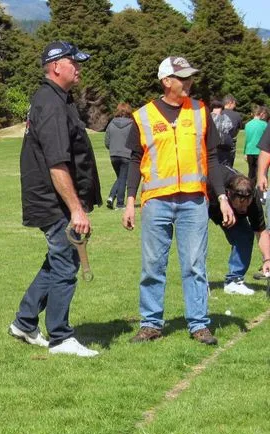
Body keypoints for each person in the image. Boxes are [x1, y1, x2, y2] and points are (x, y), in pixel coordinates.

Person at [123, 56, 234, 345]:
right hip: (156, 202)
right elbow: (135, 160)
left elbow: (212, 157)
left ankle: (199, 324)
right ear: (166, 81)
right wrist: (130, 200)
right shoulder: (143, 116)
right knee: (152, 266)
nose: (189, 82)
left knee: (195, 265)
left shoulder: (200, 110)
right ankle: (150, 324)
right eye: (182, 77)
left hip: (194, 202)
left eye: (190, 77)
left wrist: (221, 196)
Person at [9, 41, 100, 358]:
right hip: (53, 201)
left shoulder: (58, 100)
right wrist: (76, 209)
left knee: (58, 259)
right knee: (65, 263)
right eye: (74, 62)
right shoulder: (50, 103)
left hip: (52, 199)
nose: (79, 68)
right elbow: (56, 162)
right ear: (56, 66)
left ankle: (24, 321)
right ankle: (61, 337)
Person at [210, 169, 270, 295]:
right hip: (206, 202)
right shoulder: (214, 186)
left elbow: (261, 232)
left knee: (245, 235)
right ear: (229, 195)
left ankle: (234, 281)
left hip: (227, 211)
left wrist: (267, 259)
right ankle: (197, 282)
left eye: (246, 206)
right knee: (198, 239)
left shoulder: (253, 202)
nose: (243, 209)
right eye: (239, 206)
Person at [104, 102, 133, 210]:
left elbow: (107, 141)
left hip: (113, 155)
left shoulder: (111, 124)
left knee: (120, 178)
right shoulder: (131, 124)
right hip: (126, 155)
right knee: (123, 179)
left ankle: (111, 197)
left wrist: (112, 148)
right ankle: (120, 204)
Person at [216, 95, 243, 168]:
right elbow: (238, 129)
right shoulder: (237, 115)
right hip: (230, 144)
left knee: (218, 166)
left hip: (217, 144)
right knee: (229, 167)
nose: (235, 106)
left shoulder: (217, 114)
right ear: (230, 103)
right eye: (234, 104)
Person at [243, 105, 268, 182]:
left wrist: (245, 152)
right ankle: (261, 192)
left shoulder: (247, 125)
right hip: (260, 151)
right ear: (261, 114)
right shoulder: (264, 124)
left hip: (250, 151)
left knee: (251, 173)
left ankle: (250, 190)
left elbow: (246, 140)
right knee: (262, 173)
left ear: (252, 114)